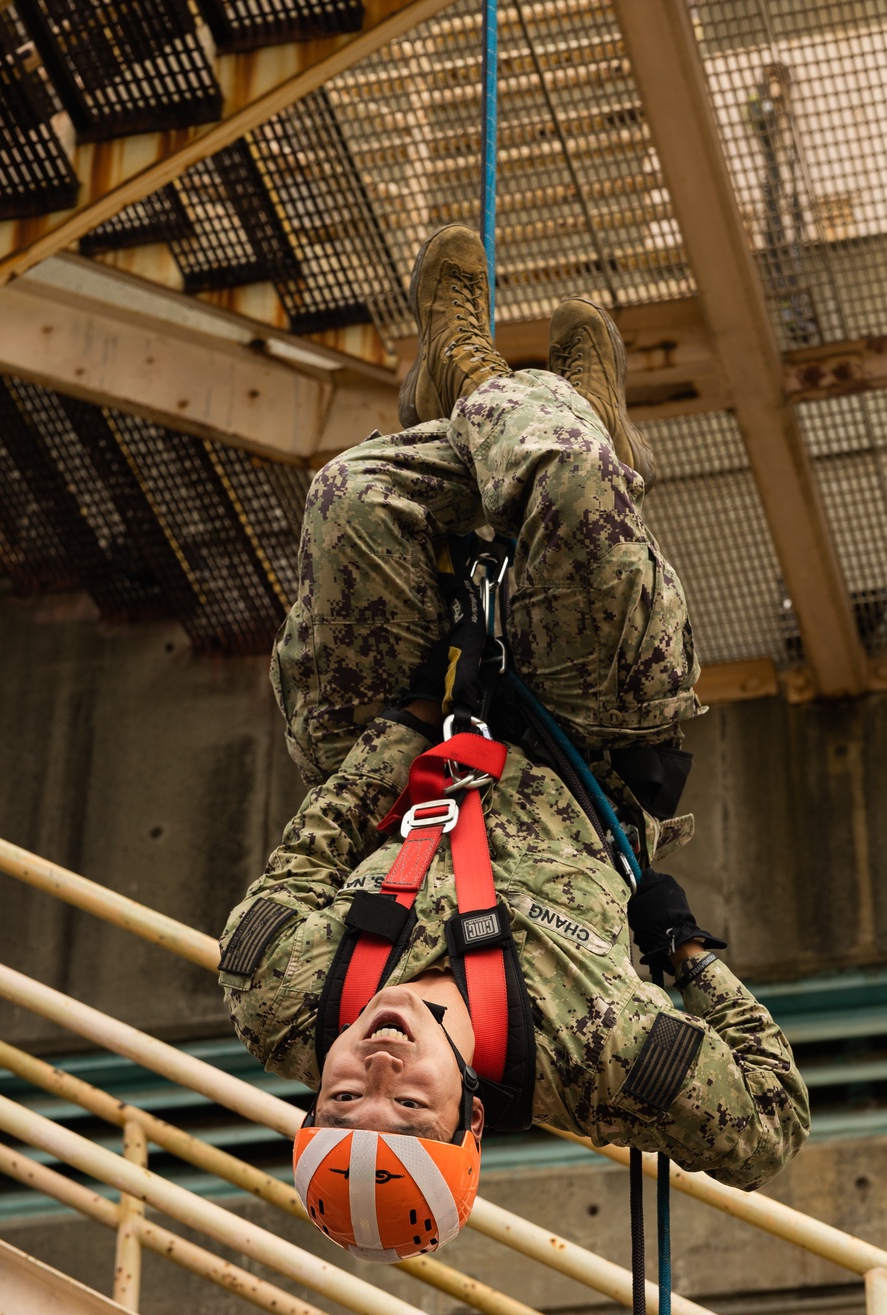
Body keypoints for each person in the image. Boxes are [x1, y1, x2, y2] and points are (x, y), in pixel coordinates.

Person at [218, 225, 809, 1261]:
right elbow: (770, 1121)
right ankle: (511, 401)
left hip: (397, 722)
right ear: (469, 1119)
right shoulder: (600, 1059)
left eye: (343, 1097)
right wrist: (683, 951)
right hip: (591, 736)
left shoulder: (282, 996)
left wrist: (405, 730)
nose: (379, 1071)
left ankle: (504, 409)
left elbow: (302, 858)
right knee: (571, 491)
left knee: (350, 500)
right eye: (407, 1113)